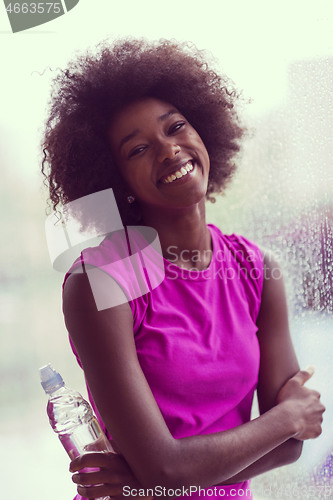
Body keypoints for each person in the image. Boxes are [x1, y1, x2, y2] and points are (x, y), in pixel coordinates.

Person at [41, 38, 325, 500]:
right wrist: (285, 418)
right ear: (116, 181)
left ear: (203, 131)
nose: (169, 150)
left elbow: (292, 448)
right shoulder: (99, 283)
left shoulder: (256, 270)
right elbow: (288, 427)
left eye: (175, 127)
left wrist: (150, 480)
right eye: (137, 150)